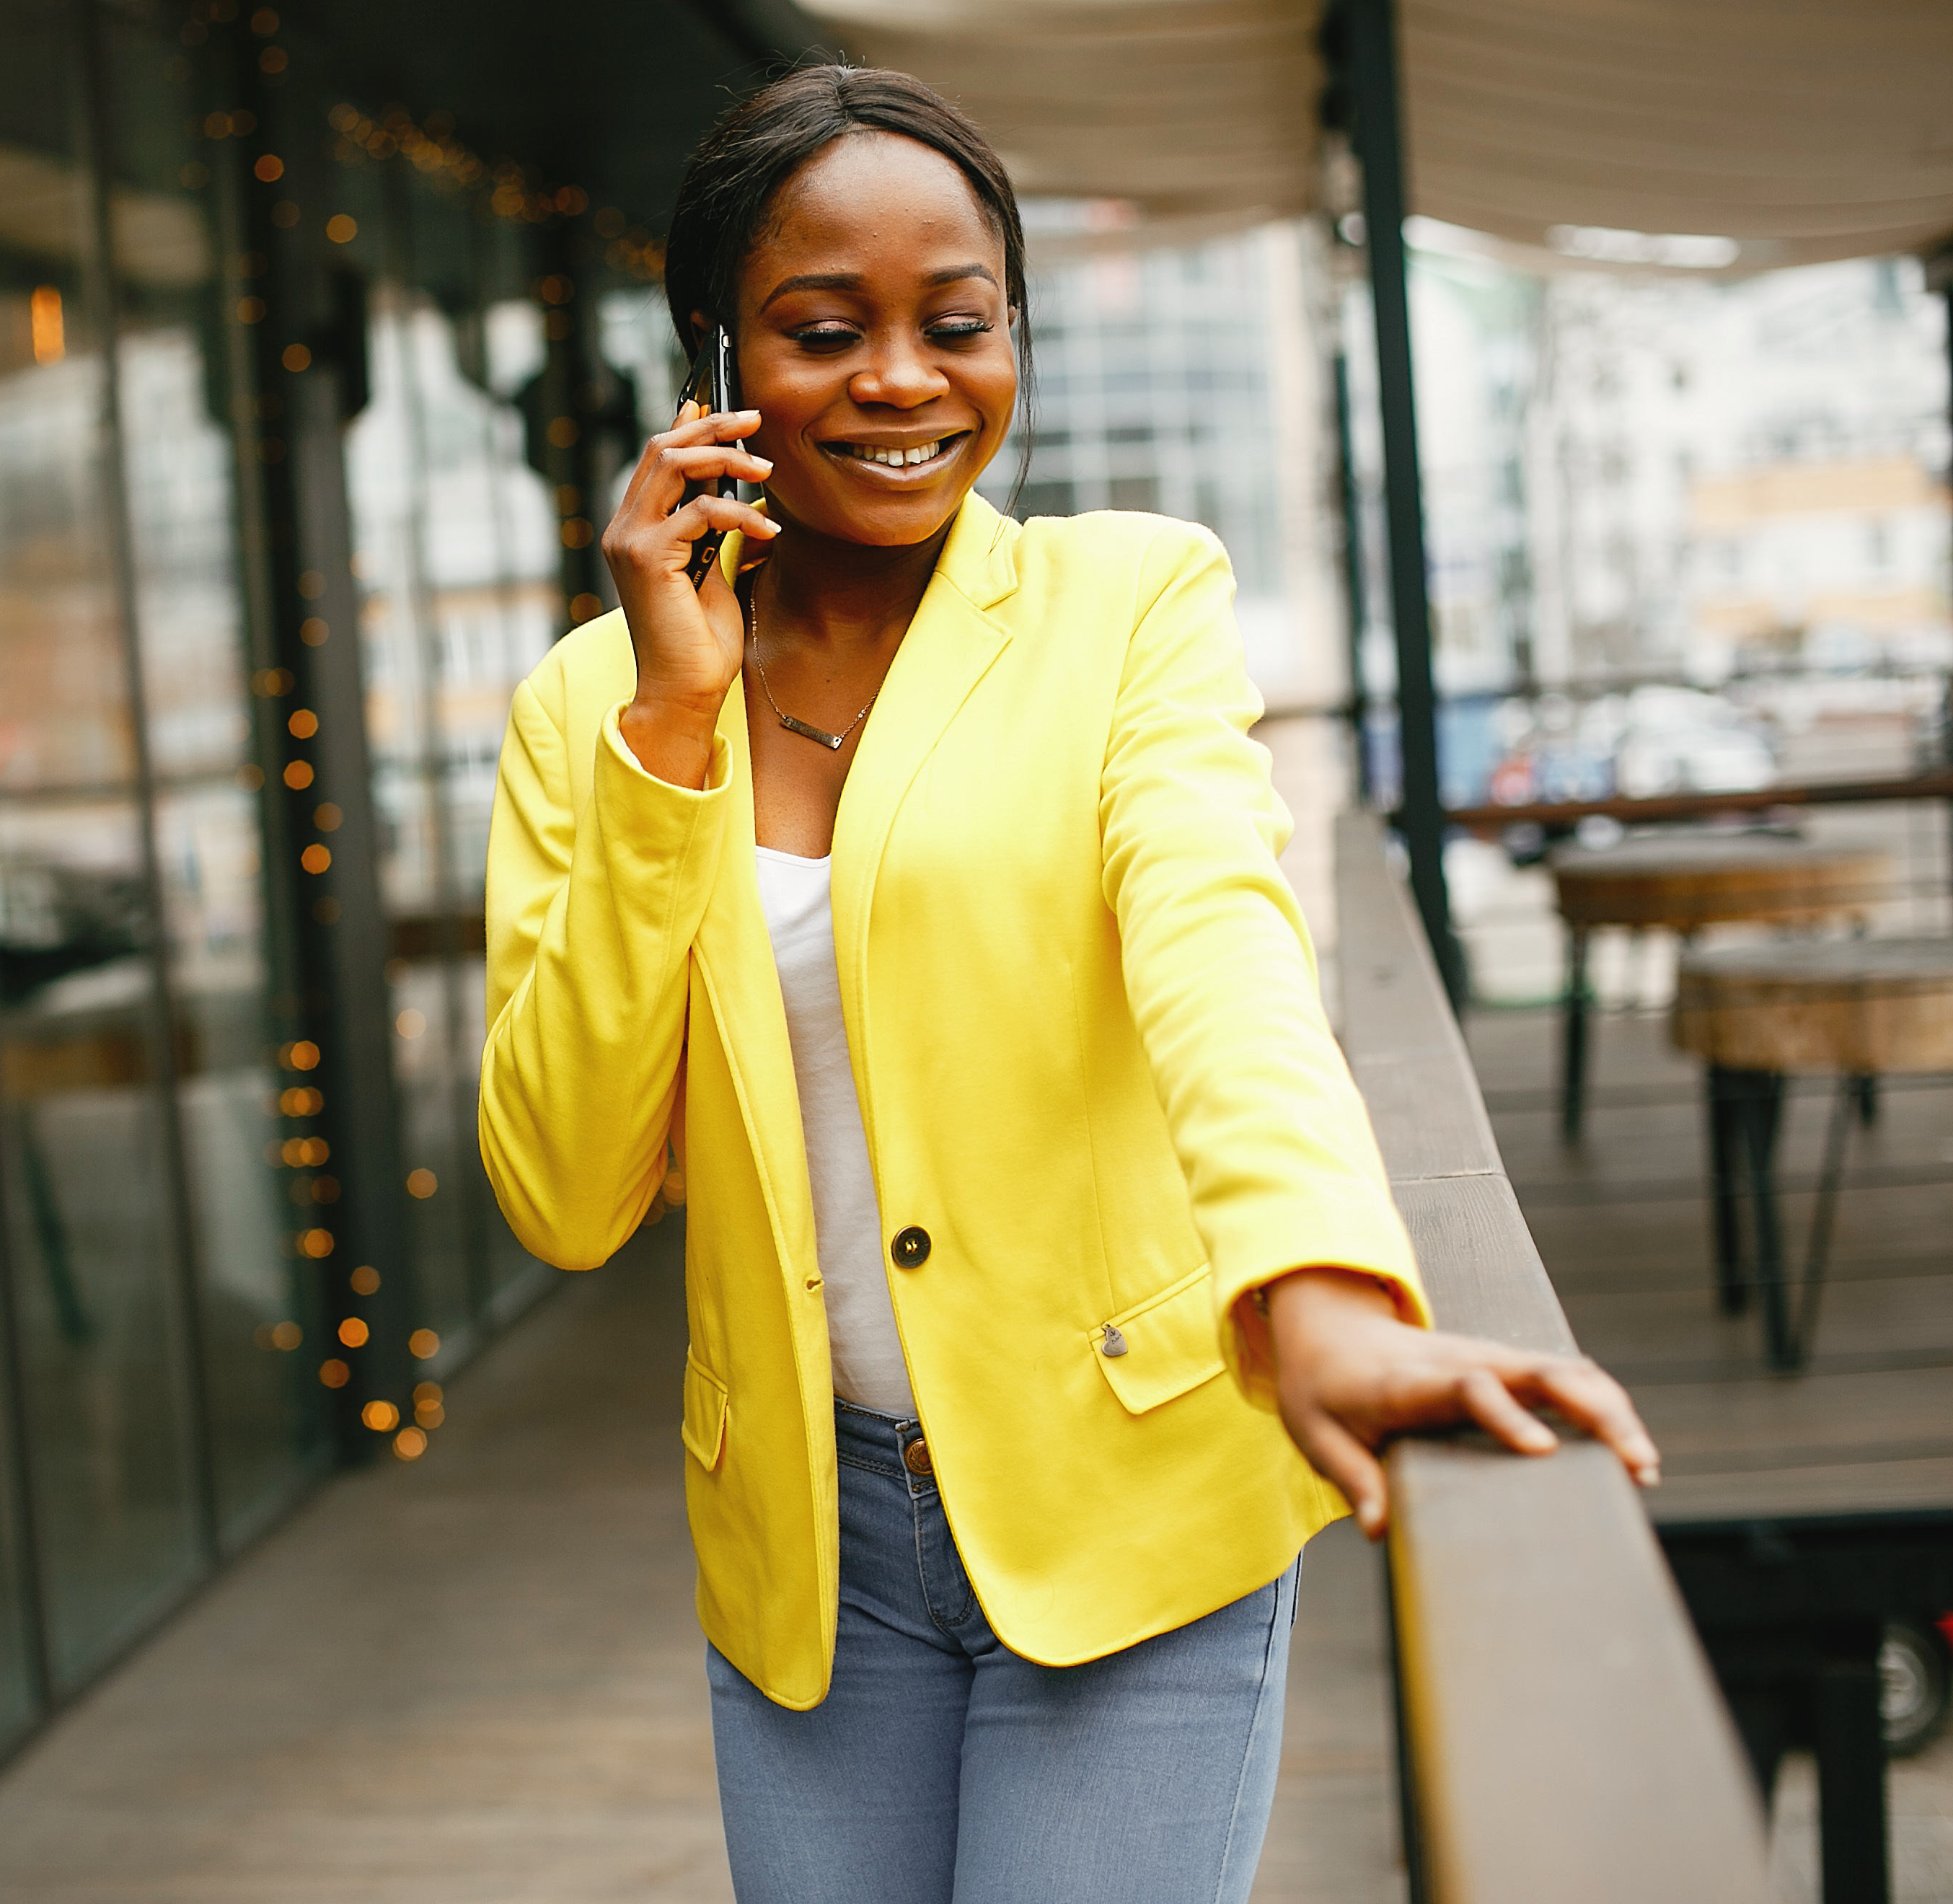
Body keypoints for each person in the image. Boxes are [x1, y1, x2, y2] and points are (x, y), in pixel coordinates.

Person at [475, 64, 1661, 1904]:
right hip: (811, 1551)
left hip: (1127, 1497)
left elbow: (1222, 955)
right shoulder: (591, 711)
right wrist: (670, 720)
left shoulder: (1131, 604)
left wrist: (1326, 1295)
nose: (901, 382)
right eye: (820, 329)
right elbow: (560, 1192)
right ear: (710, 362)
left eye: (959, 325)